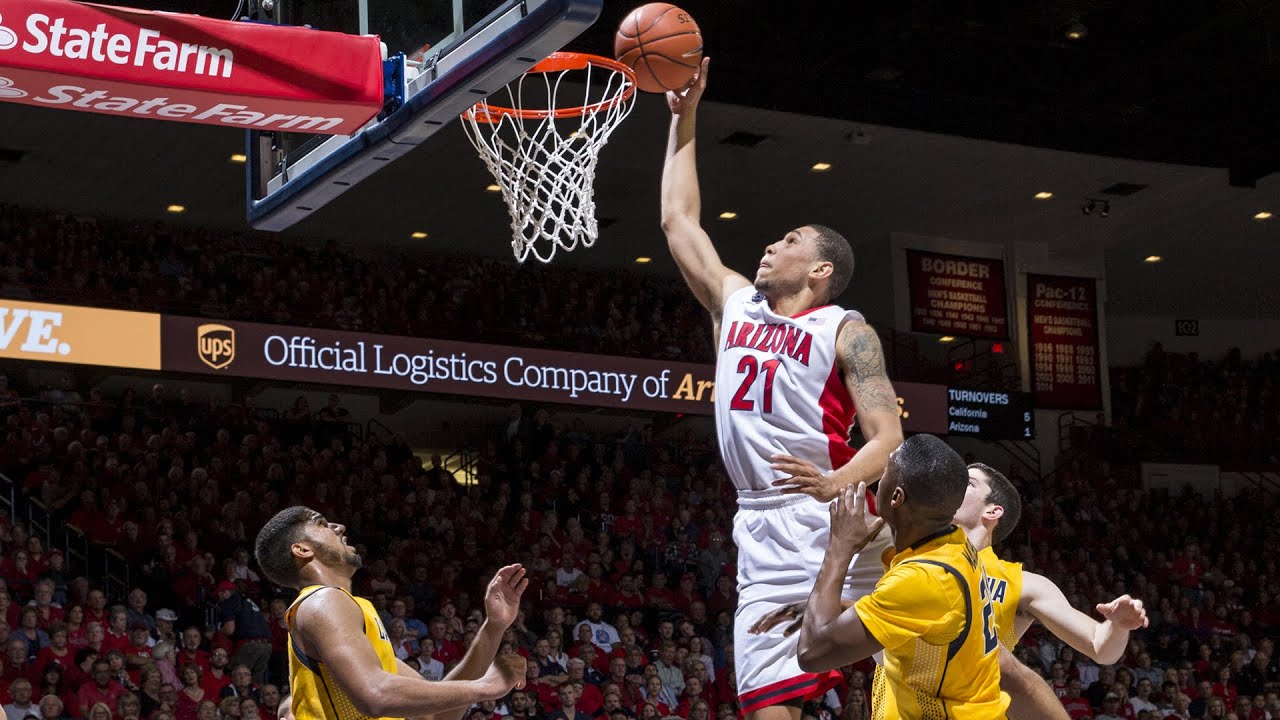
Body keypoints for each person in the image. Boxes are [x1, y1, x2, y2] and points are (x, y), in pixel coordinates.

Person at [660, 57, 903, 720]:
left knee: (926, 660)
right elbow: (680, 223)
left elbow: (889, 437)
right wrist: (684, 118)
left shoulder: (845, 329)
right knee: (767, 708)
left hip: (838, 515)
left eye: (790, 240)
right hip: (761, 527)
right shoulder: (734, 306)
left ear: (821, 269)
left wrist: (836, 483)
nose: (771, 243)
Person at [795, 435, 1008, 718]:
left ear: (897, 496)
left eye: (884, 473)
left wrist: (840, 546)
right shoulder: (955, 543)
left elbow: (812, 653)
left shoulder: (923, 580)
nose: (876, 481)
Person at [252, 506, 527, 720]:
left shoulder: (348, 609)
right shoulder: (322, 601)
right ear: (302, 550)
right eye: (322, 523)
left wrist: (494, 627)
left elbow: (437, 714)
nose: (339, 527)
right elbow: (375, 694)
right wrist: (486, 687)